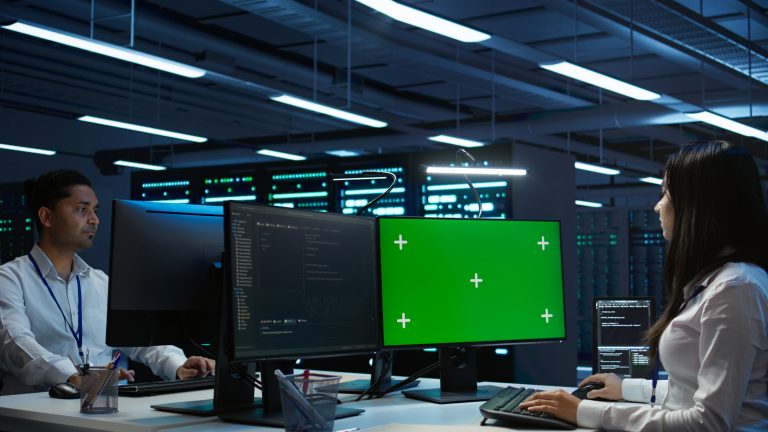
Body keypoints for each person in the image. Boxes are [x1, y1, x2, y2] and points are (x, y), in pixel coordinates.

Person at [520, 141, 768, 431]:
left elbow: (708, 421)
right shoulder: (716, 283)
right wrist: (627, 389)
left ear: (696, 204)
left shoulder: (736, 288)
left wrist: (584, 411)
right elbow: (690, 390)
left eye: (665, 193)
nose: (657, 205)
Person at [0, 170, 215, 395]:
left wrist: (178, 364)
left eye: (95, 211)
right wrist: (73, 377)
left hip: (105, 406)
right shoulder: (10, 279)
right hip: (38, 408)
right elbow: (14, 343)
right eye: (82, 210)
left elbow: (138, 337)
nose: (94, 220)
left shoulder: (101, 283)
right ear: (46, 217)